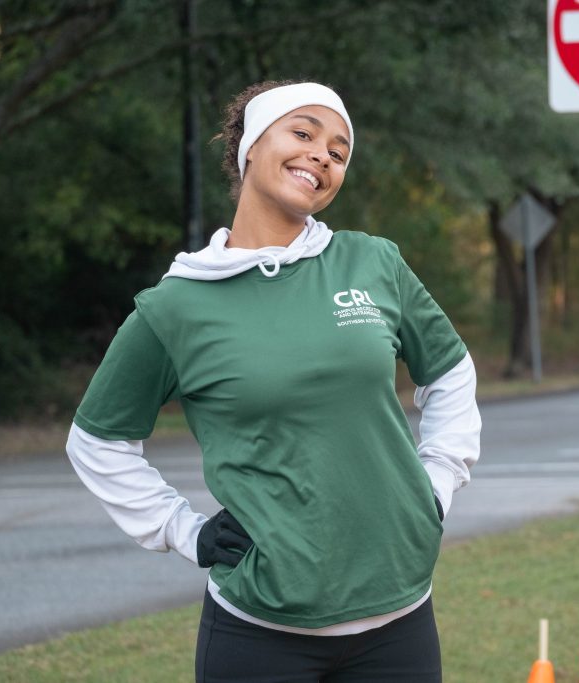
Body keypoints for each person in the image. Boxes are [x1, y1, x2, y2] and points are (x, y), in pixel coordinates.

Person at [65, 80, 482, 683]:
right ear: (251, 146)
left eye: (338, 152)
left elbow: (450, 370)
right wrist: (182, 531)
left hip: (400, 619)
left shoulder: (372, 262)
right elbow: (97, 441)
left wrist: (437, 480)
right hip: (259, 633)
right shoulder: (176, 306)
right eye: (303, 133)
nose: (322, 156)